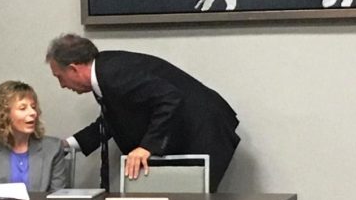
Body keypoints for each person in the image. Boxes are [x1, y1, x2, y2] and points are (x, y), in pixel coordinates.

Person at [45, 33, 239, 191]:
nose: (62, 85)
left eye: (59, 77)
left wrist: (146, 147)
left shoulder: (114, 74)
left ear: (73, 69)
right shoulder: (106, 72)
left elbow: (170, 98)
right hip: (198, 131)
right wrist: (68, 145)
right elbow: (113, 120)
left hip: (205, 132)